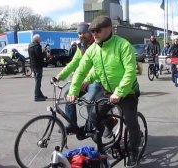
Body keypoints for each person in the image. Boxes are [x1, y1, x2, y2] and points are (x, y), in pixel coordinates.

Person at [66, 16, 141, 167]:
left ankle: (134, 150)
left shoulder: (123, 45)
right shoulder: (93, 49)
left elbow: (130, 72)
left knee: (130, 121)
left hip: (127, 93)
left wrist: (119, 92)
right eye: (92, 31)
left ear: (109, 29)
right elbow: (82, 70)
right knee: (94, 116)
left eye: (97, 30)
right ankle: (102, 145)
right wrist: (74, 90)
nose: (94, 33)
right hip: (108, 92)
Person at [55, 22, 103, 134]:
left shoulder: (98, 45)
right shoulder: (80, 46)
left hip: (95, 79)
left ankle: (95, 127)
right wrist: (60, 76)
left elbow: (97, 66)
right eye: (79, 33)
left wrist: (87, 80)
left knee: (89, 101)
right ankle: (72, 125)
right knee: (68, 95)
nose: (81, 35)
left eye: (84, 33)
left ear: (90, 33)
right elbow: (74, 63)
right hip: (84, 80)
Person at [28, 34, 47, 101]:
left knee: (37, 81)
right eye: (40, 38)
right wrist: (44, 52)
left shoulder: (30, 46)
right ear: (37, 39)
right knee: (38, 81)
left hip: (33, 65)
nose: (40, 39)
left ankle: (40, 94)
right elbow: (39, 56)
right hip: (38, 66)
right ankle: (37, 96)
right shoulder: (37, 46)